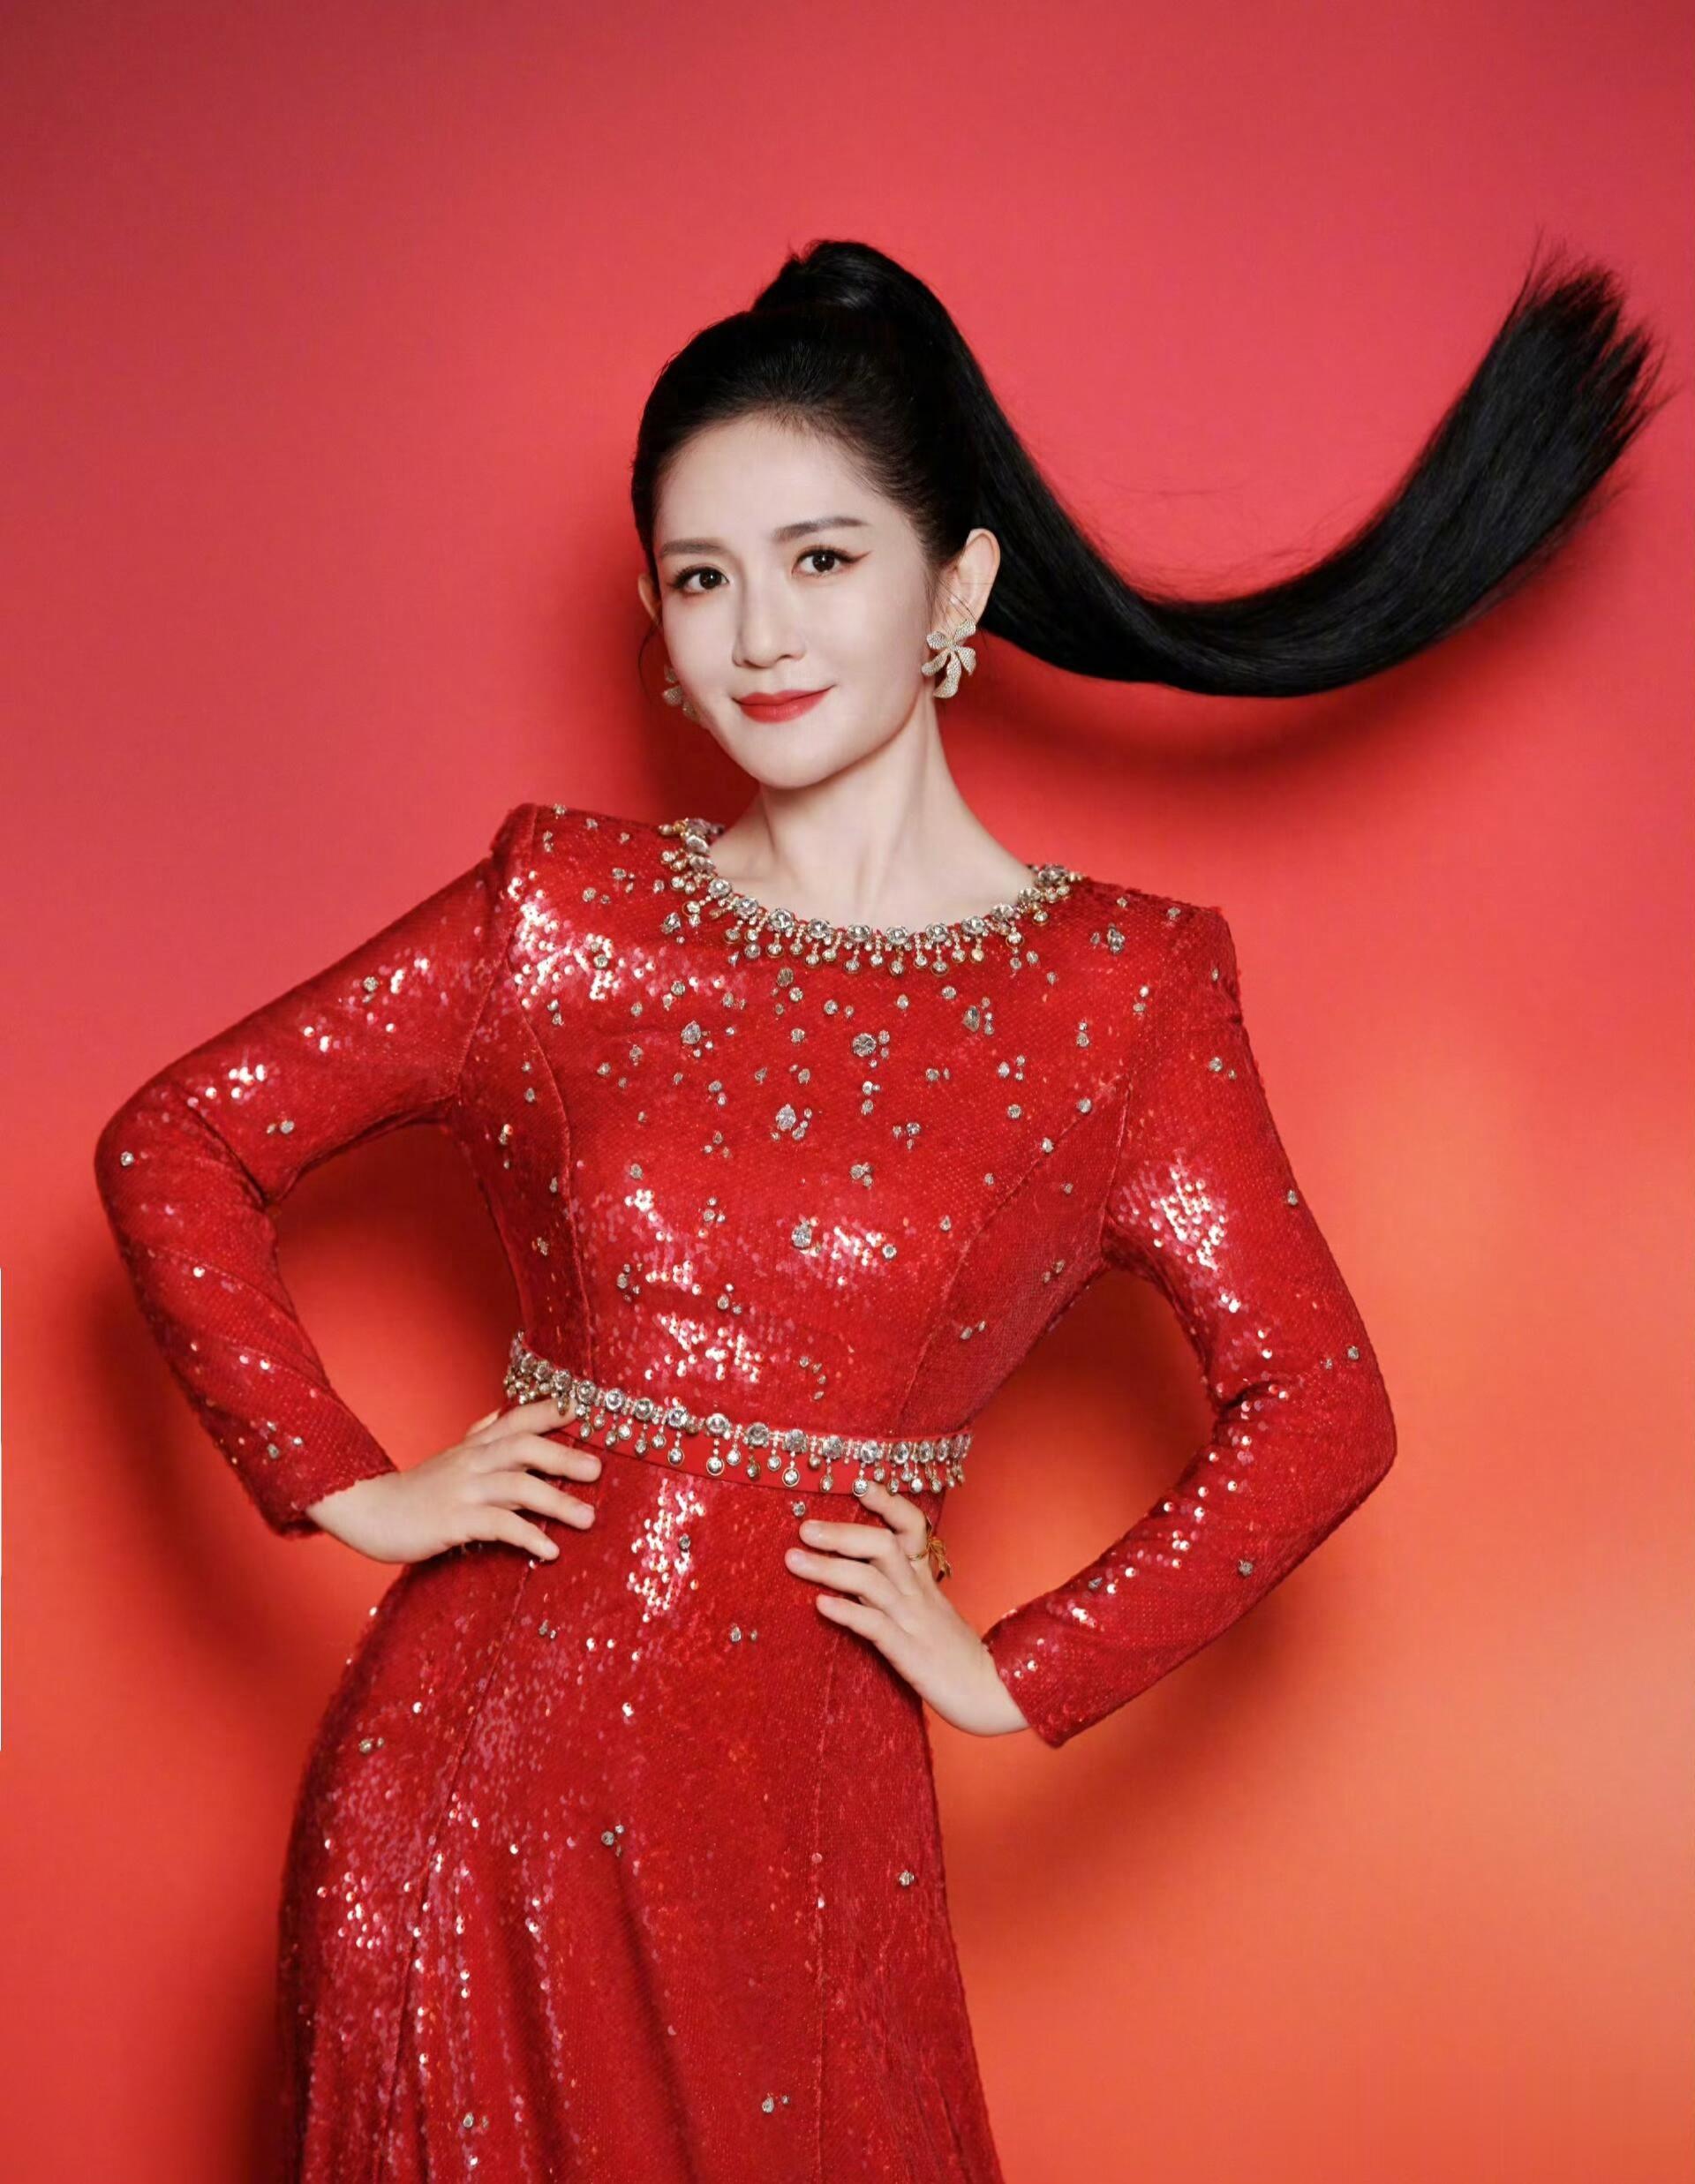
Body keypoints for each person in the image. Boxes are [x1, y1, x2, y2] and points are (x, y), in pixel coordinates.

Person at [94, 237, 1662, 2182]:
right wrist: (344, 1480)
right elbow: (179, 1140)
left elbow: (1319, 1401)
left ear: (959, 588)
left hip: (814, 1820)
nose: (759, 631)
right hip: (479, 1785)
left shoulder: (1122, 994)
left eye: (822, 557)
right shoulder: (562, 913)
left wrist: (1019, 1663)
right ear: (654, 621)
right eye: (702, 577)